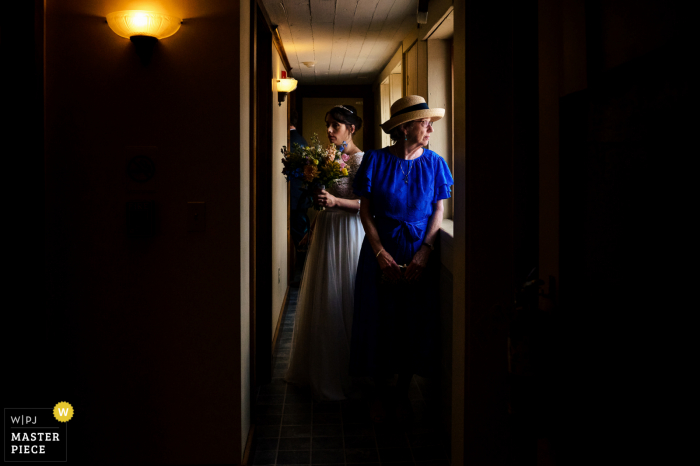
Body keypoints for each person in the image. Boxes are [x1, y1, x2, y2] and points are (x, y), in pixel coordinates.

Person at [349, 95, 453, 421]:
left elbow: (439, 209)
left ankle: (403, 392)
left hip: (417, 253)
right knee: (379, 320)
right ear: (405, 127)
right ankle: (381, 391)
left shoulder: (435, 163)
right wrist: (379, 251)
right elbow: (366, 210)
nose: (430, 130)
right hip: (381, 252)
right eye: (426, 123)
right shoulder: (376, 160)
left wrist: (426, 250)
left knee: (413, 321)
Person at [285, 104, 366, 401]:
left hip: (350, 232)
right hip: (327, 230)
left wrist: (334, 202)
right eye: (328, 124)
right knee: (324, 296)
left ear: (351, 128)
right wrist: (318, 196)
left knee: (346, 295)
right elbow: (322, 195)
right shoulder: (327, 157)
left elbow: (366, 205)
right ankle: (321, 368)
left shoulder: (361, 160)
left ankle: (350, 372)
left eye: (336, 125)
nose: (330, 130)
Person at [289, 111, 312, 250]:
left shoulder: (291, 140)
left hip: (295, 199)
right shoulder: (300, 139)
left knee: (301, 241)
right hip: (299, 198)